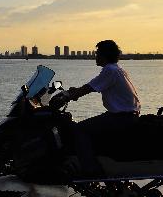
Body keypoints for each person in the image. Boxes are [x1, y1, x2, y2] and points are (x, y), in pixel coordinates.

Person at [51, 39, 140, 177]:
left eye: (97, 53)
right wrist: (73, 92)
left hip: (121, 118)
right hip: (128, 116)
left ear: (104, 55)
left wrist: (67, 96)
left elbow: (88, 88)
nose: (95, 56)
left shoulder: (110, 70)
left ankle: (89, 169)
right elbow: (90, 86)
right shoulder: (117, 69)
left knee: (79, 130)